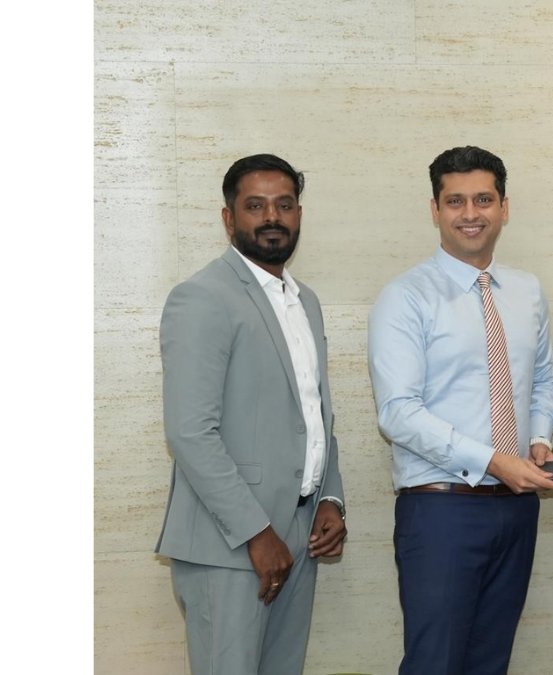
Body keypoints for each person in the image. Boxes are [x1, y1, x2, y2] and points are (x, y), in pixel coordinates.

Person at [368, 145, 553, 675]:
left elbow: (543, 379)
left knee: (490, 664)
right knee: (435, 663)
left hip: (518, 507)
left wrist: (539, 439)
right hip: (441, 510)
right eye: (455, 201)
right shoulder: (405, 297)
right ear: (435, 210)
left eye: (483, 200)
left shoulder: (527, 291)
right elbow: (398, 413)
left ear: (504, 207)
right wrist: (493, 460)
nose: (470, 214)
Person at [157, 153, 347, 675]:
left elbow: (316, 414)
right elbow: (190, 432)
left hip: (300, 534)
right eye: (255, 206)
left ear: (299, 214)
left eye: (284, 205)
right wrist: (255, 533)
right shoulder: (202, 298)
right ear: (229, 218)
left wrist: (330, 498)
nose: (271, 217)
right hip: (232, 544)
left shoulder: (305, 301)